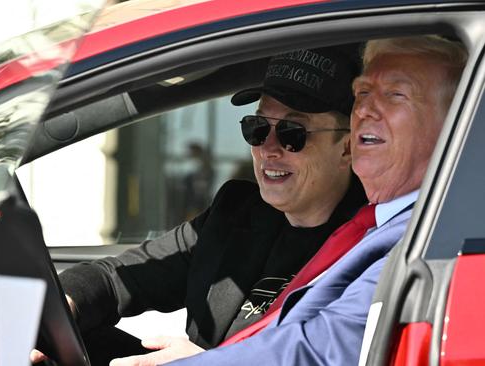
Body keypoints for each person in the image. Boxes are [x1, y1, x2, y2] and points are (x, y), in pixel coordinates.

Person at [136, 35, 467, 366]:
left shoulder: (428, 237)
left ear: (453, 122)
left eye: (395, 94)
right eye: (362, 93)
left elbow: (320, 351)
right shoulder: (377, 226)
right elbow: (128, 275)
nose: (364, 109)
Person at [51, 45, 367, 365]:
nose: (267, 149)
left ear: (347, 146)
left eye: (292, 132)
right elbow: (114, 278)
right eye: (257, 128)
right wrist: (56, 312)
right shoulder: (235, 211)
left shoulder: (372, 243)